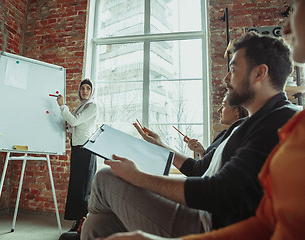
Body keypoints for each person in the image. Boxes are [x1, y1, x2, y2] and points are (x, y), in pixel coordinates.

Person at [99, 0, 305, 239]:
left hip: (205, 220)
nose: (226, 79)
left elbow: (222, 191)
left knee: (105, 179)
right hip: (203, 213)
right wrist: (160, 146)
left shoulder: (282, 120)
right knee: (98, 224)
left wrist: (137, 176)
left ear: (259, 73)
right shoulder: (243, 125)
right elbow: (200, 169)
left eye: (233, 69)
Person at [56, 79, 97, 237]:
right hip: (77, 148)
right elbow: (72, 126)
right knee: (76, 186)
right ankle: (78, 222)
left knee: (84, 189)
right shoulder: (80, 107)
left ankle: (83, 224)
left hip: (87, 148)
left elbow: (74, 121)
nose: (84, 91)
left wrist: (62, 106)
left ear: (91, 91)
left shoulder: (93, 106)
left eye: (88, 88)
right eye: (82, 88)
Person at [186, 93, 248, 159]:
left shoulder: (239, 139)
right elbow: (205, 166)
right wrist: (201, 152)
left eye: (224, 106)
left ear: (237, 111)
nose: (219, 110)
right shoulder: (223, 134)